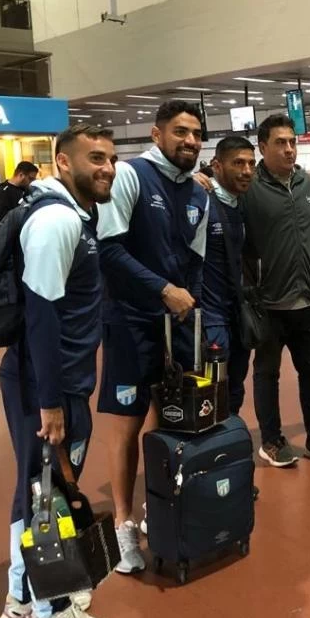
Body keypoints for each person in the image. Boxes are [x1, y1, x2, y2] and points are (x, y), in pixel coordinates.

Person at [0, 123, 116, 618]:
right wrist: (51, 404)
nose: (107, 167)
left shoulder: (74, 214)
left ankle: (22, 598)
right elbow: (41, 316)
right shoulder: (55, 221)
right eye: (95, 158)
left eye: (111, 158)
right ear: (63, 163)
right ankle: (53, 613)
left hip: (59, 380)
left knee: (41, 489)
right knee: (51, 495)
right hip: (49, 385)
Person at [96, 100, 209, 573]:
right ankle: (123, 524)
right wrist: (163, 290)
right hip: (129, 323)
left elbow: (197, 264)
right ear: (157, 133)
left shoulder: (200, 193)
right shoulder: (130, 177)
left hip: (178, 327)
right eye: (181, 132)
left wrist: (194, 317)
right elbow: (108, 249)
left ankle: (160, 510)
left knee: (172, 421)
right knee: (126, 423)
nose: (191, 141)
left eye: (198, 134)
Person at [237, 115, 310, 468]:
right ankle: (271, 440)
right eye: (280, 142)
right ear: (262, 147)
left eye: (292, 142)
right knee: (267, 374)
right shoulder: (248, 189)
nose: (288, 149)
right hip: (268, 303)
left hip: (307, 300)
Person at [201, 136, 255, 423]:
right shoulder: (201, 202)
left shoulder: (242, 204)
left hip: (237, 315)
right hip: (210, 318)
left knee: (235, 388)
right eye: (238, 163)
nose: (246, 170)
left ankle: (227, 445)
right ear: (216, 166)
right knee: (210, 393)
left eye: (250, 164)